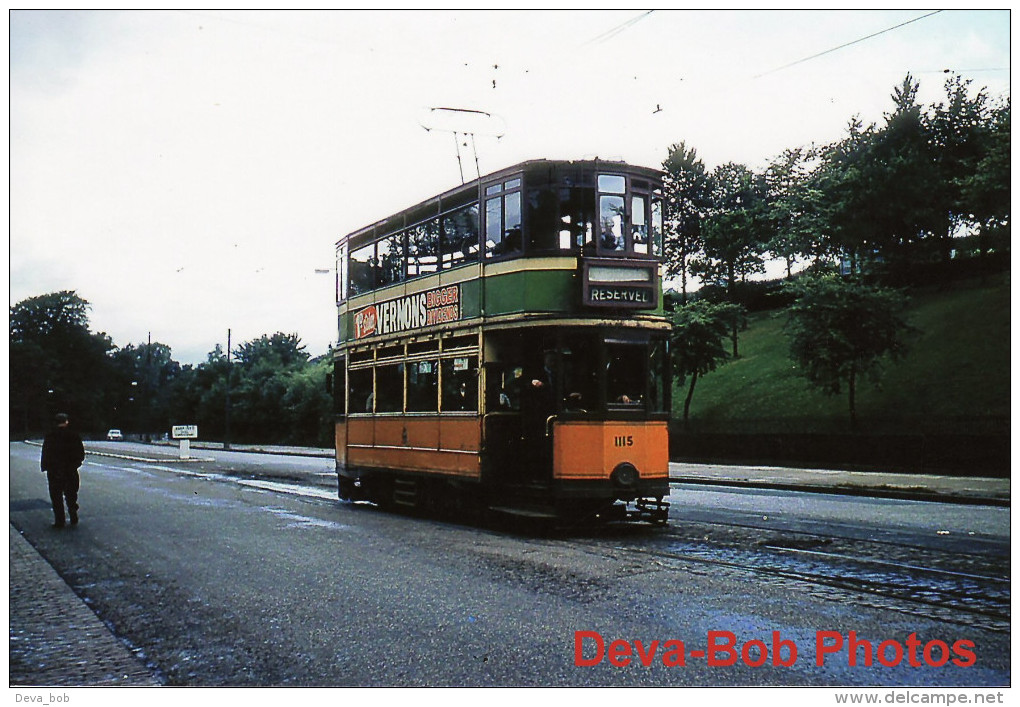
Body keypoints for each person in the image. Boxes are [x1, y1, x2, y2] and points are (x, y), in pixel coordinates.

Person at [40, 412, 85, 528]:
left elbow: (46, 453)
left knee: (56, 496)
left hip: (55, 470)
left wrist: (46, 466)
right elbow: (80, 453)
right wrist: (75, 465)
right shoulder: (73, 435)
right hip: (70, 470)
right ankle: (73, 512)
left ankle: (60, 520)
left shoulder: (50, 436)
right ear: (66, 422)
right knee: (71, 493)